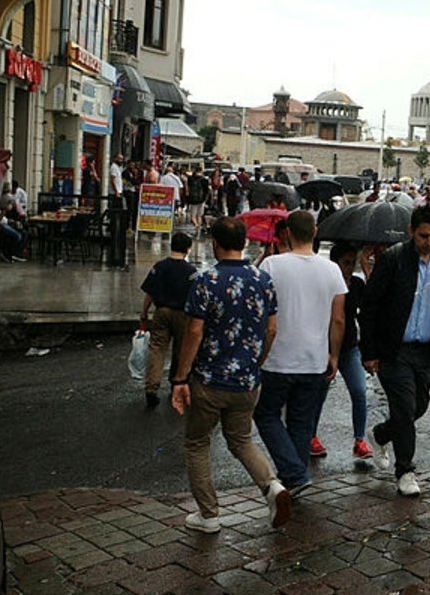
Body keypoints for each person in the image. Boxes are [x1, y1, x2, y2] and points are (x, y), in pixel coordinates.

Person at [168, 217, 291, 533]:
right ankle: (272, 486)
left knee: (197, 442)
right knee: (241, 439)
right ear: (245, 242)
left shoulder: (206, 280)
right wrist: (255, 361)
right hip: (247, 381)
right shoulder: (263, 280)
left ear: (215, 244)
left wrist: (181, 377)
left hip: (209, 379)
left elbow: (194, 331)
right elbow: (272, 329)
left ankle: (208, 514)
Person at [359, 205, 430, 496]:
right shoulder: (394, 259)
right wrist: (369, 351)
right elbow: (370, 306)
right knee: (403, 407)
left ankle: (381, 434)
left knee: (419, 406)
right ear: (411, 231)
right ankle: (405, 471)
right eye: (424, 236)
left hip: (425, 349)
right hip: (394, 350)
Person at [254, 211, 347, 494]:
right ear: (315, 232)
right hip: (314, 359)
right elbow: (339, 319)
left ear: (287, 234)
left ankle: (294, 473)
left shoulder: (272, 264)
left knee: (266, 415)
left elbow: (260, 310)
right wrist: (334, 355)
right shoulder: (332, 270)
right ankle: (294, 473)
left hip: (278, 358)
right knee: (301, 421)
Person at [312, 243, 373, 460]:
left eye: (352, 263)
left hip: (349, 347)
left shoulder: (356, 284)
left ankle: (360, 439)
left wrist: (366, 266)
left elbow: (369, 310)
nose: (349, 268)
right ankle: (311, 435)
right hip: (325, 347)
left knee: (359, 391)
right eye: (346, 263)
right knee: (319, 394)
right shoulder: (324, 284)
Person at [140, 232, 199, 408]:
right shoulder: (191, 272)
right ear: (188, 249)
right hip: (183, 315)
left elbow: (149, 293)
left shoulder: (160, 267)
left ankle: (151, 387)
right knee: (180, 350)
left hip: (161, 311)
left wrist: (144, 312)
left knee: (157, 348)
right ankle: (176, 382)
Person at [185, 168, 210, 233]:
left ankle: (196, 226)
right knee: (199, 215)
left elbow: (188, 189)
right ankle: (199, 227)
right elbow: (207, 190)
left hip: (193, 200)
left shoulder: (190, 179)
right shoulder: (204, 180)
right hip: (202, 200)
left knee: (193, 216)